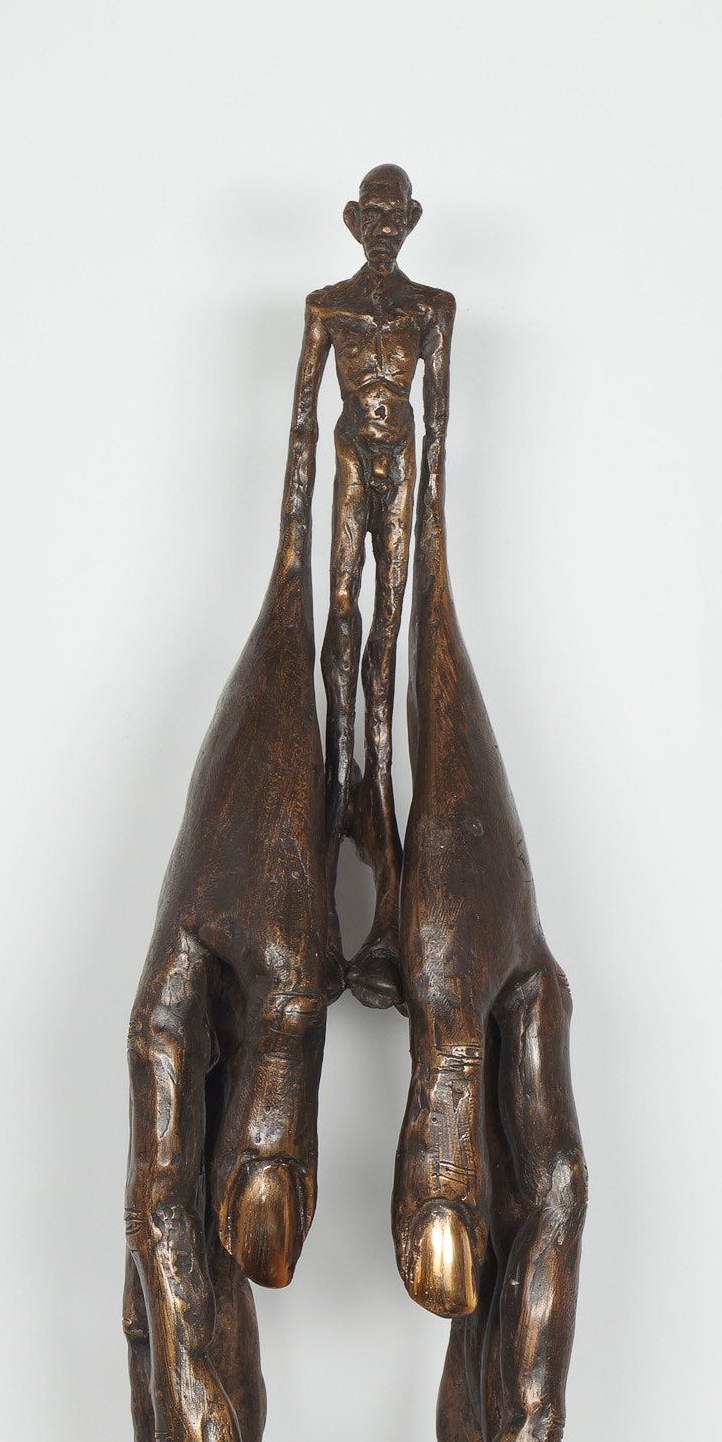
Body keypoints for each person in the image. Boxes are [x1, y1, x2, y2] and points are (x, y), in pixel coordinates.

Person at [285, 163, 455, 1009]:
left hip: (403, 458)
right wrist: (293, 542)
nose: (384, 230)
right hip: (352, 456)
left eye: (396, 217)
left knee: (389, 635)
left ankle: (386, 881)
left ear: (411, 218)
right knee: (342, 617)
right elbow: (303, 423)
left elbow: (441, 424)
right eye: (373, 217)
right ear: (353, 219)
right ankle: (332, 823)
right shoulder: (327, 308)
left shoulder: (431, 309)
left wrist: (432, 534)